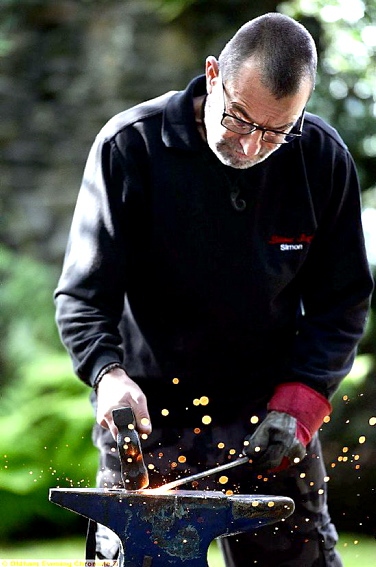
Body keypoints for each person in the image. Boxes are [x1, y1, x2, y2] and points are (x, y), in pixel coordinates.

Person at [54, 12, 373, 566]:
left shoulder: (319, 157)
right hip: (146, 416)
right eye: (242, 120)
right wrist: (107, 376)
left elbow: (342, 302)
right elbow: (84, 296)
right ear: (212, 77)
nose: (252, 146)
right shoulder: (130, 147)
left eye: (276, 132)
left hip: (270, 417)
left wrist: (300, 404)